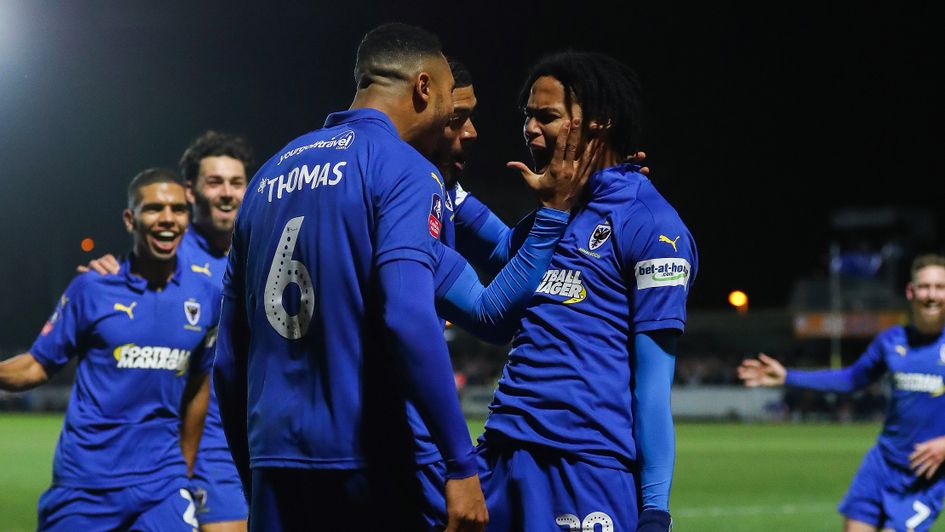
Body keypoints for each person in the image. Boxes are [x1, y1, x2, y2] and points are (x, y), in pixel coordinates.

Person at [213, 23, 486, 532]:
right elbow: (408, 315)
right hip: (369, 467)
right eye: (451, 99)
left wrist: (255, 474)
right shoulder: (405, 169)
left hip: (274, 463)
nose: (457, 120)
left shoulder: (267, 177)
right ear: (424, 87)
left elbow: (229, 358)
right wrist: (459, 462)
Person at [449, 50, 697, 532]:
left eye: (547, 116)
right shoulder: (557, 211)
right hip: (499, 456)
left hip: (583, 468)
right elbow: (505, 250)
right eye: (527, 116)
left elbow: (653, 384)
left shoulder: (653, 225)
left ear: (598, 124)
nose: (530, 129)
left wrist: (655, 509)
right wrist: (439, 183)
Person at [0, 169, 217, 531]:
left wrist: (184, 469)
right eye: (154, 208)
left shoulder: (205, 297)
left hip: (162, 484)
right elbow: (35, 366)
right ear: (130, 219)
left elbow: (199, 385)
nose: (168, 218)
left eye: (178, 209)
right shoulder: (93, 288)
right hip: (86, 484)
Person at [81, 130, 254, 531]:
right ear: (191, 192)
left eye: (236, 182)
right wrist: (101, 276)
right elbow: (118, 291)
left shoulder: (260, 249)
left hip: (257, 435)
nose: (227, 193)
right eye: (215, 182)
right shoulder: (169, 251)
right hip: (198, 439)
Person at [739, 254, 945, 532]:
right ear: (911, 291)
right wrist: (788, 376)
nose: (931, 295)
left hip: (925, 475)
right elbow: (850, 379)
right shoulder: (891, 340)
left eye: (939, 287)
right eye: (925, 287)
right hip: (881, 465)